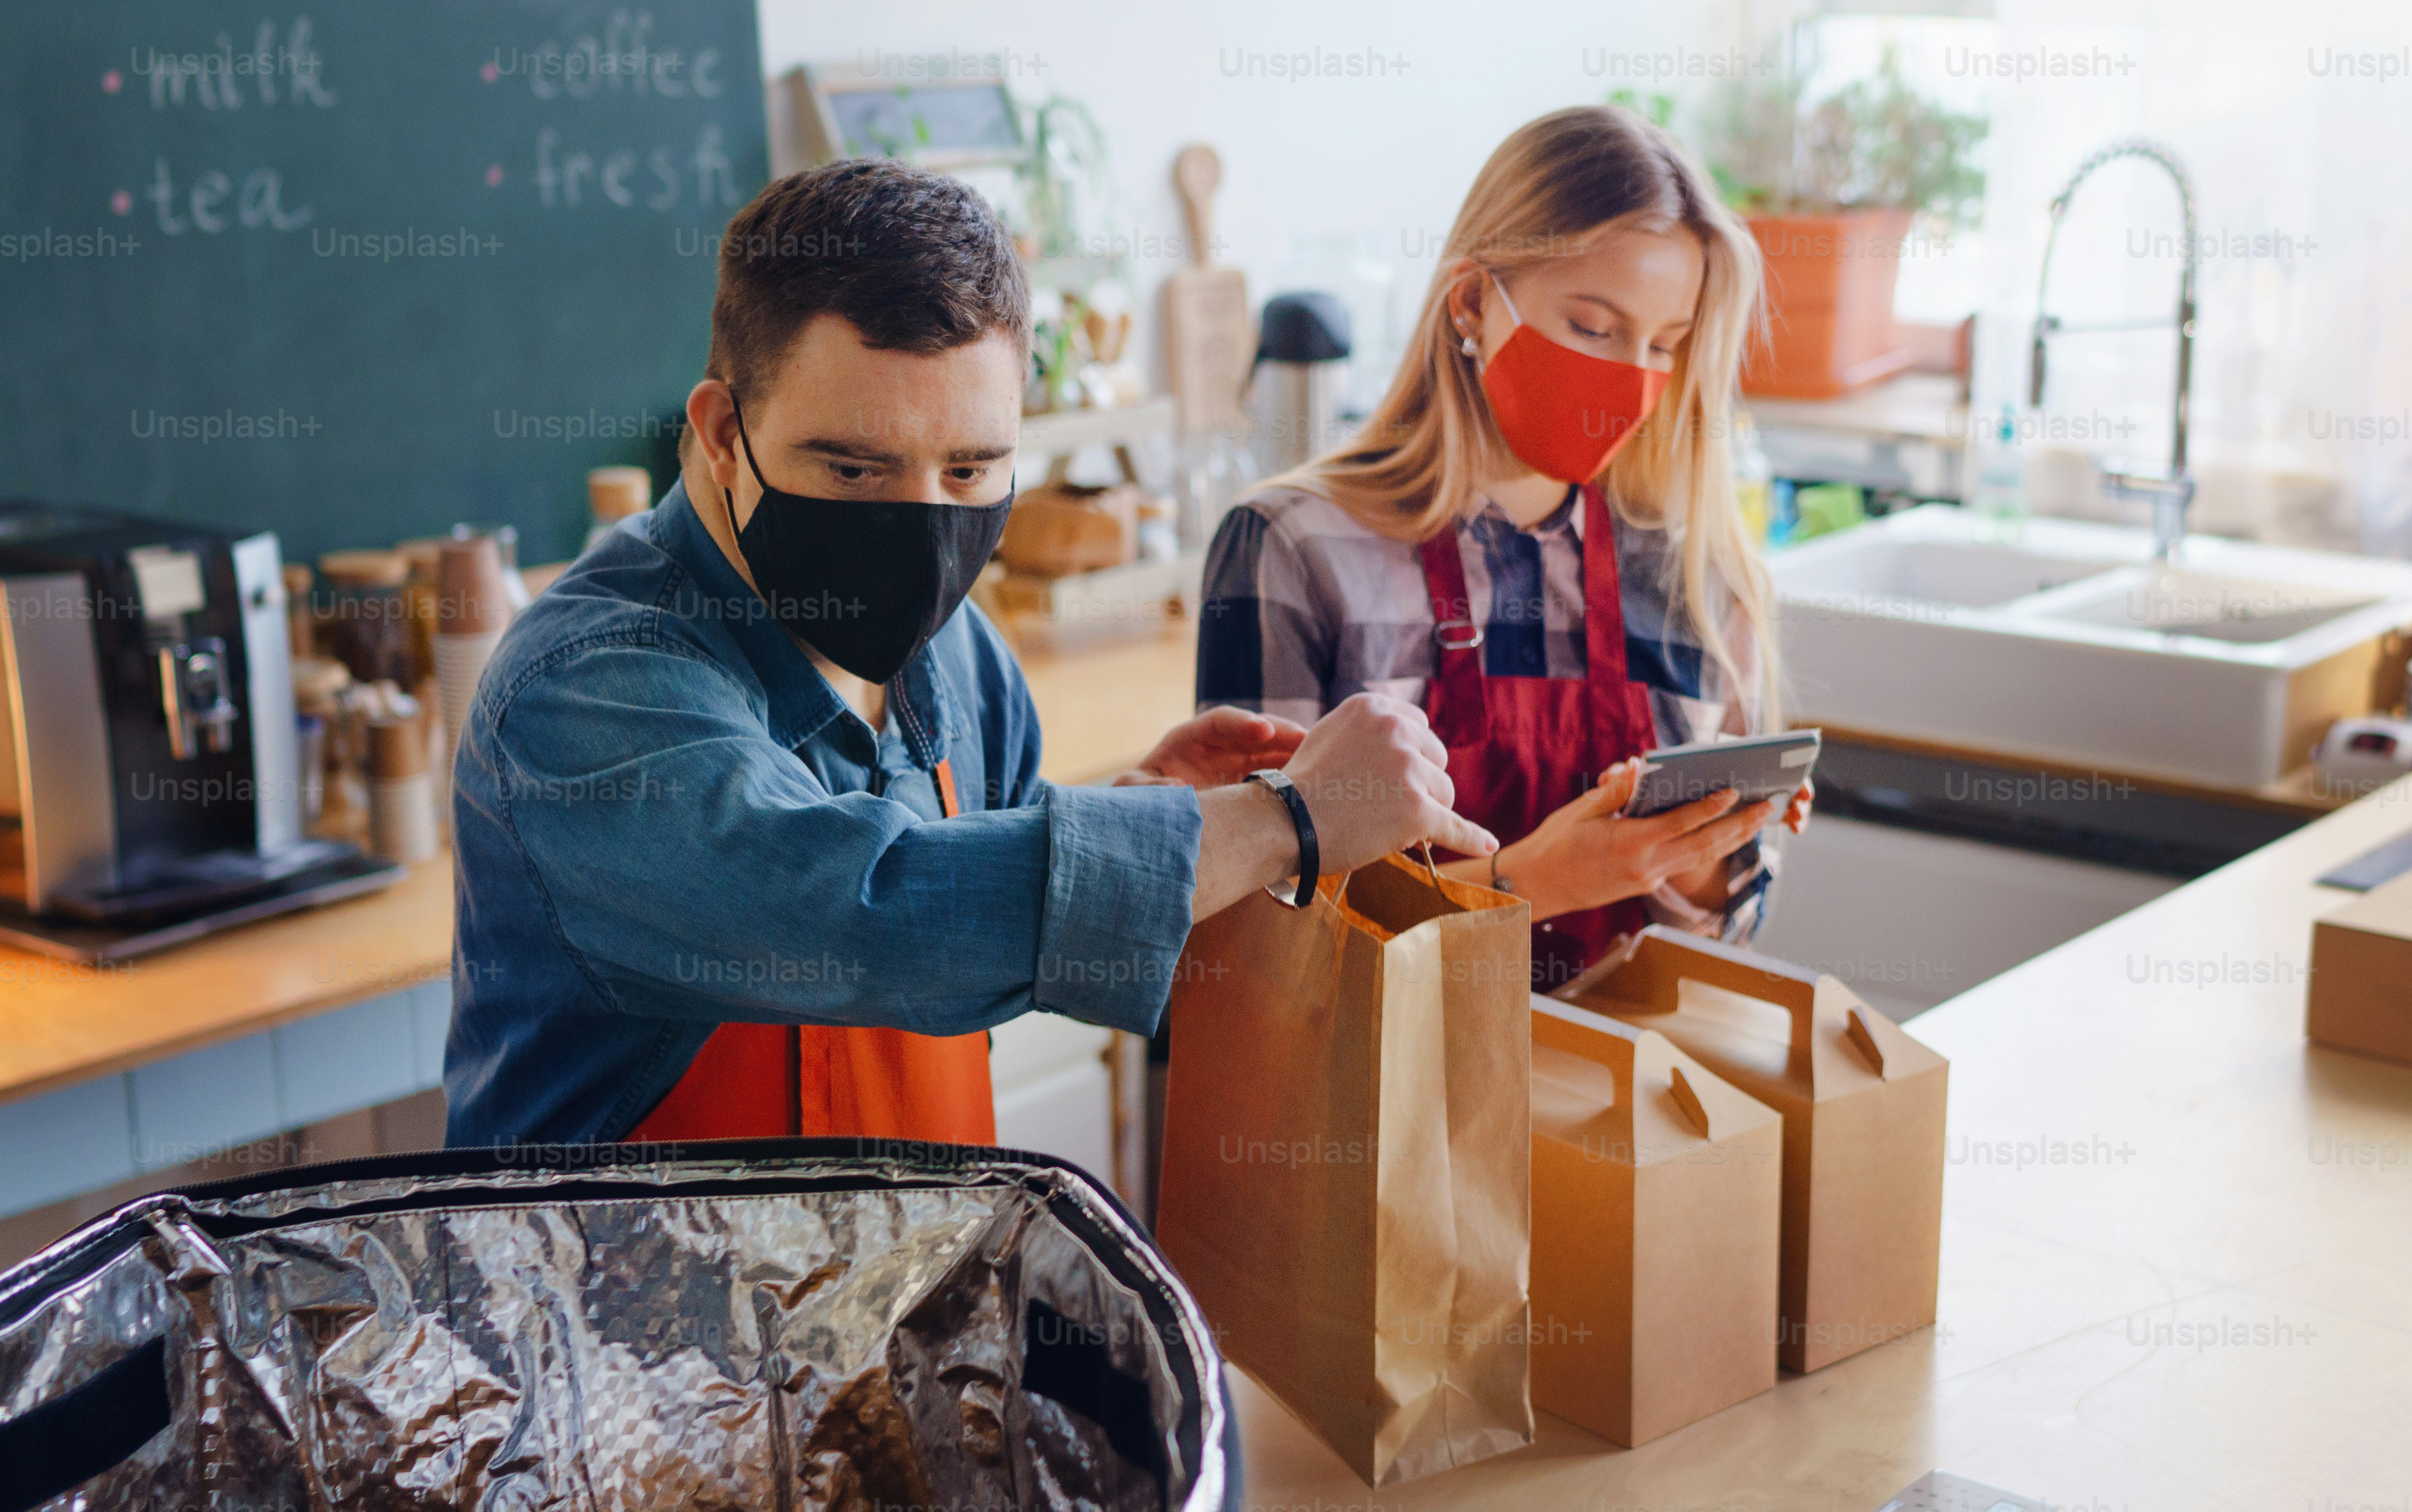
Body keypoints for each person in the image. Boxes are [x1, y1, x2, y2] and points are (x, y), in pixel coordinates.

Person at [446, 158, 1492, 1147]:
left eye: (970, 470)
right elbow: (875, 919)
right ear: (724, 434)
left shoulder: (959, 657)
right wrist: (1281, 823)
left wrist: (1141, 810)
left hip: (918, 1313)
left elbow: (979, 919)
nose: (920, 527)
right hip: (629, 1331)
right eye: (855, 472)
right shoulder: (588, 694)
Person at [1195, 104, 1802, 987]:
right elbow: (1253, 932)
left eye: (1663, 346)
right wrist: (1536, 881)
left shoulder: (1694, 579)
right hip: (1358, 1120)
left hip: (1611, 1111)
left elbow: (1724, 940)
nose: (1630, 380)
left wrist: (1698, 846)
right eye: (1593, 329)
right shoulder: (1293, 552)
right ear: (1473, 302)